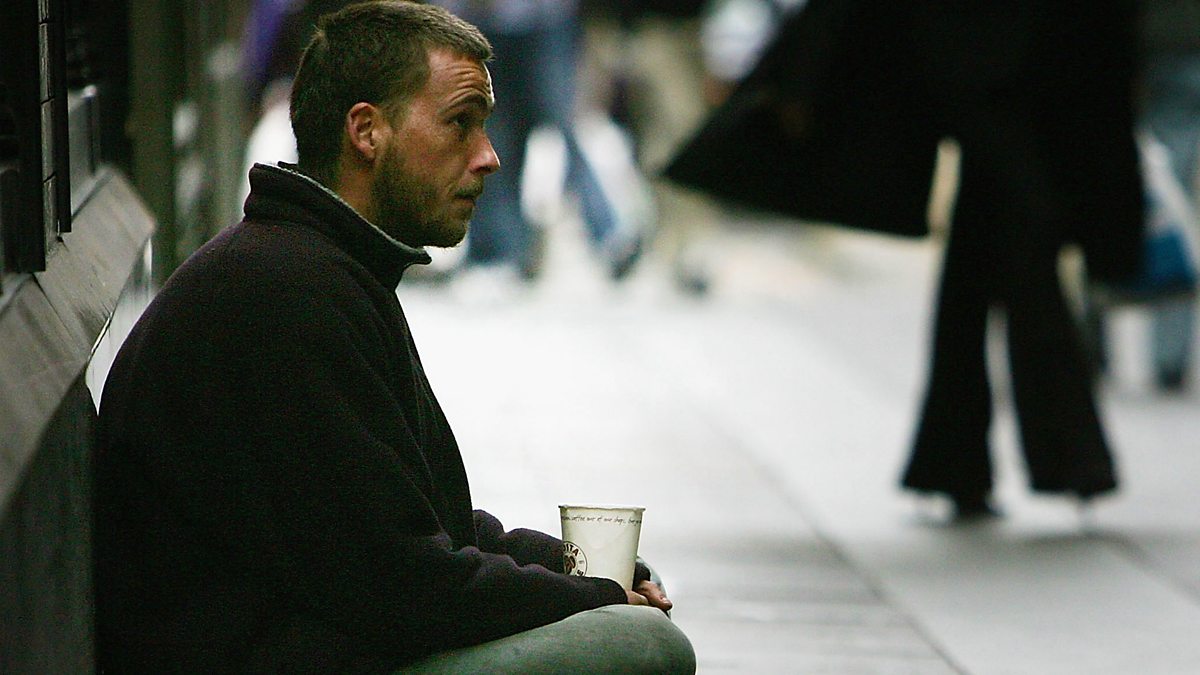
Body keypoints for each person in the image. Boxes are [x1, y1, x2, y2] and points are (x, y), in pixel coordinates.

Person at [93, 2, 695, 672]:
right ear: (367, 132)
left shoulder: (324, 267)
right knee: (641, 647)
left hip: (316, 640)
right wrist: (590, 594)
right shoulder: (284, 292)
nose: (489, 157)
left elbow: (425, 522)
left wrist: (575, 566)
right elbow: (404, 583)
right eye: (460, 124)